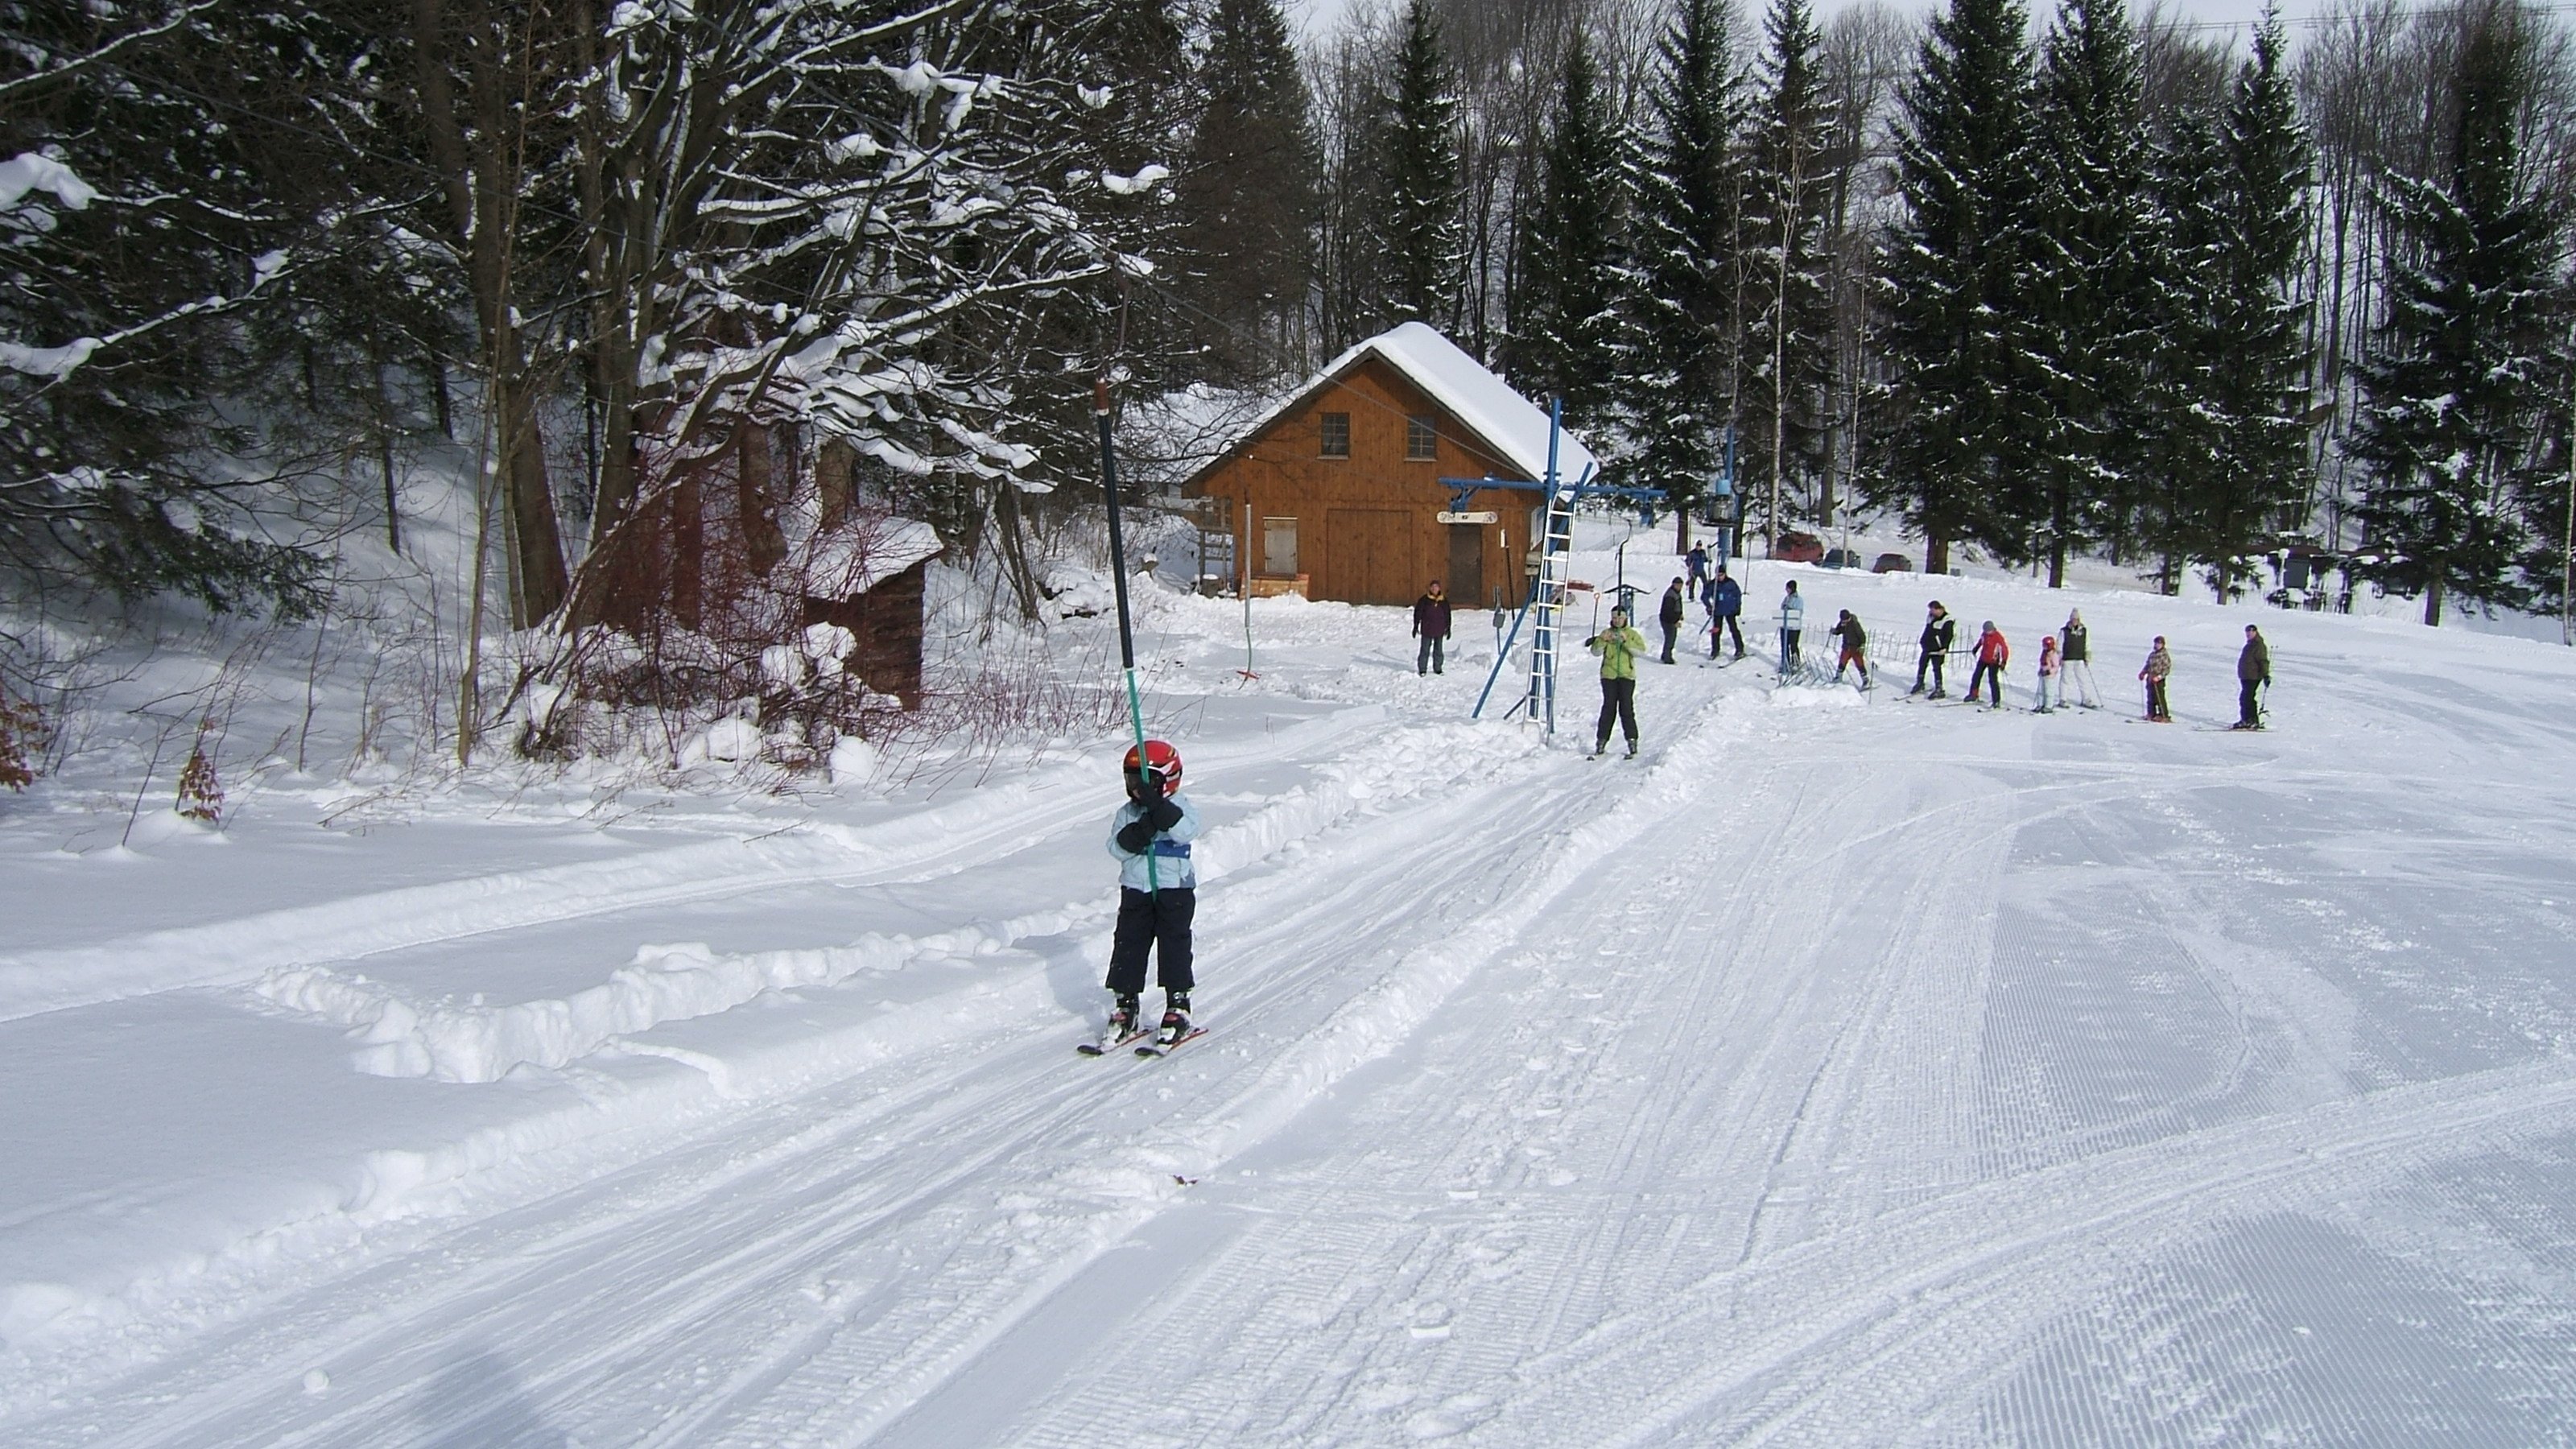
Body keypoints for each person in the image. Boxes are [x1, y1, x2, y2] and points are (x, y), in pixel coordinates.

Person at [1102, 740, 1202, 1047]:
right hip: (1136, 889)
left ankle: (1177, 1005)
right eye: (1132, 781)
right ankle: (1126, 1005)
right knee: (1128, 944)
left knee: (1174, 944)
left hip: (1175, 890)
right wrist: (1141, 830)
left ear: (1168, 780)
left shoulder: (1182, 806)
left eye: (1146, 783)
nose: (1137, 791)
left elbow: (1186, 831)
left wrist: (1161, 810)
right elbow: (1115, 848)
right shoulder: (1128, 813)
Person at [1587, 604, 1646, 758]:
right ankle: (1601, 741)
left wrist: (1626, 642)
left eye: (1620, 618)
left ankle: (1632, 741)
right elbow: (1595, 652)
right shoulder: (1606, 633)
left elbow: (1640, 652)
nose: (1617, 621)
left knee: (1626, 708)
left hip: (1627, 676)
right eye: (1614, 618)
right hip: (1609, 676)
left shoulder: (1632, 634)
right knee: (1608, 708)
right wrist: (1602, 641)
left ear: (1625, 618)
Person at [1912, 601, 1955, 698]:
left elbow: (1949, 635)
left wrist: (1944, 647)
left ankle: (1939, 688)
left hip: (1938, 649)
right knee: (1922, 664)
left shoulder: (1947, 620)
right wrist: (1922, 641)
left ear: (1939, 609)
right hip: (1927, 646)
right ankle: (1920, 683)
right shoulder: (1930, 617)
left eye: (1933, 610)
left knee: (1936, 668)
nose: (1931, 612)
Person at [2061, 609, 2100, 708]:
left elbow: (2087, 644)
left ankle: (2086, 699)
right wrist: (2060, 657)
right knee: (2065, 679)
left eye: (2076, 619)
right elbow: (2059, 645)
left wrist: (2087, 657)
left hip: (2080, 659)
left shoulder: (2084, 631)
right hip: (2067, 658)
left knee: (2082, 680)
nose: (2075, 621)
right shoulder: (2064, 631)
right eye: (2073, 619)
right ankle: (2063, 699)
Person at [1411, 580, 1452, 675]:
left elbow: (1447, 614)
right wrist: (1416, 626)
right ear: (1430, 588)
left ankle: (1438, 668)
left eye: (1436, 587)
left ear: (1439, 588)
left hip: (1440, 629)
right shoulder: (1424, 600)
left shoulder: (1444, 601)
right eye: (1433, 587)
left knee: (1438, 650)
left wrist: (1448, 627)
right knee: (1425, 650)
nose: (1434, 589)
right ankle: (1422, 669)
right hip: (1427, 629)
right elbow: (1418, 613)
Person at [2235, 624, 2270, 729]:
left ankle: (2251, 720)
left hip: (2253, 676)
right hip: (2246, 676)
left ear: (2256, 632)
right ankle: (2247, 719)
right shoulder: (2250, 644)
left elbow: (2263, 661)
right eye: (2247, 632)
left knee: (2246, 698)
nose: (2249, 634)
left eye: (2251, 632)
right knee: (2246, 698)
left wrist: (2266, 675)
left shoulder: (2258, 645)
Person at [1967, 621, 2009, 707]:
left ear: (1992, 629)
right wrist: (1976, 648)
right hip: (1983, 659)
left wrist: (2004, 661)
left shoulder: (1998, 637)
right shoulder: (1984, 635)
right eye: (1985, 631)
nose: (1987, 632)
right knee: (1976, 676)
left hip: (1993, 661)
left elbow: (2004, 649)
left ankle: (1996, 701)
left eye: (1988, 631)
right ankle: (1973, 694)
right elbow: (1981, 641)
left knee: (1993, 681)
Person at [1828, 609, 1870, 687]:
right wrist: (1835, 631)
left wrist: (1862, 646)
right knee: (1842, 661)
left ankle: (1865, 680)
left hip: (1855, 648)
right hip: (1846, 646)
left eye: (1845, 620)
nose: (1844, 622)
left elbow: (1862, 636)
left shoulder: (1855, 624)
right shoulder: (1842, 622)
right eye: (1843, 621)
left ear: (1849, 618)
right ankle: (1838, 677)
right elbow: (1839, 630)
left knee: (1859, 663)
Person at [1710, 567, 1745, 659]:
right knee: (1716, 631)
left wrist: (1738, 607)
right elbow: (1705, 596)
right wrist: (1709, 607)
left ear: (1725, 574)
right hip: (1718, 611)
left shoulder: (1731, 583)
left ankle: (1740, 649)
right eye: (1717, 575)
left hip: (1730, 610)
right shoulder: (1713, 584)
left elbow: (1738, 595)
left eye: (1721, 575)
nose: (1719, 577)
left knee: (1734, 629)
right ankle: (1715, 650)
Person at [2140, 636, 2173, 721]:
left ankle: (2163, 715)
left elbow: (2167, 668)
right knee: (2151, 697)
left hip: (2158, 679)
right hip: (2150, 678)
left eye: (2159, 643)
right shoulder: (2153, 654)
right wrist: (2143, 672)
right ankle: (2151, 713)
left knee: (2159, 698)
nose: (2158, 645)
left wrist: (2159, 677)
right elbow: (2148, 665)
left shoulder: (2164, 655)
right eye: (2156, 643)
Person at [1779, 580, 1806, 675]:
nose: (1786, 590)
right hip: (1785, 626)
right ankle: (1785, 663)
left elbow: (1798, 612)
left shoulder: (1799, 599)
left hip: (1794, 627)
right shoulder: (1787, 598)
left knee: (1793, 646)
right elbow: (1782, 607)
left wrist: (1789, 609)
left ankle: (1796, 663)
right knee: (1784, 645)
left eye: (1788, 588)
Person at [1657, 578, 1687, 664]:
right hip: (1667, 620)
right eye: (1678, 585)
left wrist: (1680, 614)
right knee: (1670, 638)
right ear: (1674, 584)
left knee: (1670, 638)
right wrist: (1675, 621)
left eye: (1681, 585)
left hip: (1670, 619)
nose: (1680, 587)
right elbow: (1668, 611)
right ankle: (1667, 658)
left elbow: (1678, 605)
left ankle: (1665, 655)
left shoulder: (1675, 593)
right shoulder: (1670, 596)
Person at [2033, 634, 2061, 713]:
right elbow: (2042, 663)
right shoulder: (2044, 653)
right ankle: (2040, 704)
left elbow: (2056, 666)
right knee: (2040, 691)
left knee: (2049, 691)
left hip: (2050, 676)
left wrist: (2049, 671)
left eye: (2045, 646)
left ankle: (2049, 706)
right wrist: (2040, 670)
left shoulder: (2054, 654)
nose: (2044, 647)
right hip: (2043, 675)